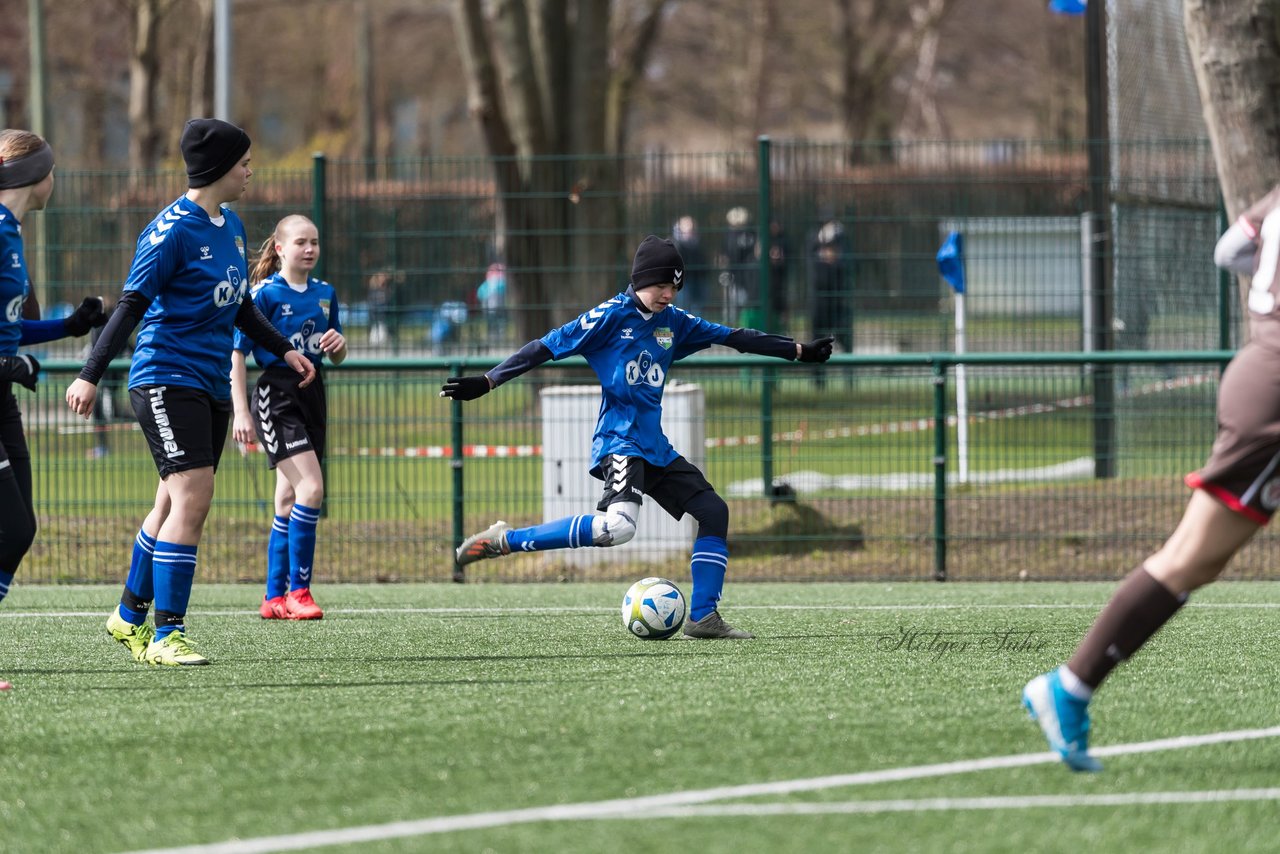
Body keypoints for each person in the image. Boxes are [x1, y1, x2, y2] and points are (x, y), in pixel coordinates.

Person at [441, 235, 833, 638]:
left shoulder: (675, 323)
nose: (668, 294)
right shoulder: (608, 317)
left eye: (674, 287)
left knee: (714, 511)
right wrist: (488, 381)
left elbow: (735, 337)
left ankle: (703, 617)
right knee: (619, 528)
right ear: (640, 279)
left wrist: (799, 351)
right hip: (619, 442)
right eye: (662, 285)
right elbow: (544, 347)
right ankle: (506, 540)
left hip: (655, 448)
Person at [1022, 183, 1280, 771]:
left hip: (1262, 374)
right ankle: (1069, 686)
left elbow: (1229, 252)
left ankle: (1071, 686)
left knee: (1200, 560)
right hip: (1274, 393)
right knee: (1189, 557)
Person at [66, 119, 315, 667]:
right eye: (244, 162)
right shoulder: (169, 231)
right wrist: (89, 372)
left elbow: (242, 306)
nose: (251, 170)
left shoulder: (233, 226)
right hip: (164, 376)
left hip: (208, 383)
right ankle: (166, 635)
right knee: (193, 498)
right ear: (218, 168)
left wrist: (284, 348)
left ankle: (128, 616)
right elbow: (129, 306)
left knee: (169, 500)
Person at [0, 129, 108, 626]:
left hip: (3, 402)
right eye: (51, 168)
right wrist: (10, 365)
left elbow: (11, 327)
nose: (56, 177)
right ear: (32, 175)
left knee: (20, 531)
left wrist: (70, 327)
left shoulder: (12, 231)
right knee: (12, 530)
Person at [231, 214, 345, 621]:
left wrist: (339, 345)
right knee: (311, 489)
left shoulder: (326, 293)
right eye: (301, 242)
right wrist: (240, 410)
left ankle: (272, 597)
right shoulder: (263, 295)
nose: (310, 249)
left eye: (314, 241)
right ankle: (299, 591)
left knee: (286, 497)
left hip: (313, 393)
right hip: (276, 395)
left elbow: (335, 352)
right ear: (280, 249)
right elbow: (237, 352)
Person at [672, 215, 708, 317]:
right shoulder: (676, 245)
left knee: (698, 310)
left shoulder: (698, 243)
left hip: (699, 280)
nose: (691, 231)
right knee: (683, 309)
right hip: (683, 282)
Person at [476, 262, 508, 345]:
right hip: (491, 307)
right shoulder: (492, 283)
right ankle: (495, 336)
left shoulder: (498, 282)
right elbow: (480, 293)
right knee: (494, 322)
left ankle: (498, 337)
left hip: (495, 307)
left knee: (498, 322)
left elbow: (480, 293)